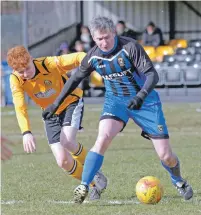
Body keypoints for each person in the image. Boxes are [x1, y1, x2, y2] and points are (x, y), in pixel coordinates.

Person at [42, 17, 193, 203]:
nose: (103, 43)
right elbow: (74, 80)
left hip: (145, 101)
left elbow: (152, 75)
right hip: (115, 102)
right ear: (93, 38)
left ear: (114, 32)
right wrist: (56, 104)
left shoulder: (130, 47)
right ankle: (85, 185)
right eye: (99, 39)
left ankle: (178, 181)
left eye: (106, 37)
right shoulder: (93, 56)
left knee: (166, 155)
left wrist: (141, 96)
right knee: (102, 138)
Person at [7, 46, 107, 200]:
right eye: (21, 72)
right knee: (62, 160)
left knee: (67, 141)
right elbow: (20, 107)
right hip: (49, 112)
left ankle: (92, 172)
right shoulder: (15, 79)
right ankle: (95, 183)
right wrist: (26, 132)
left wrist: (98, 65)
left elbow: (79, 56)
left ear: (31, 58)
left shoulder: (49, 63)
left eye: (27, 68)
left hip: (70, 101)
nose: (26, 74)